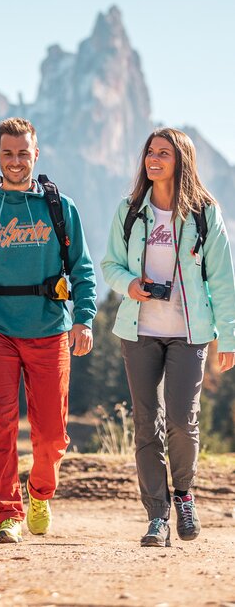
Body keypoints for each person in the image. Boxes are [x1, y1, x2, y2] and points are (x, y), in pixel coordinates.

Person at [0, 117, 96, 543]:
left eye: (23, 153)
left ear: (36, 154)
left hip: (50, 329)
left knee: (52, 434)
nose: (16, 161)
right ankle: (7, 515)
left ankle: (39, 492)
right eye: (8, 153)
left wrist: (84, 318)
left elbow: (82, 270)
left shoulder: (60, 207)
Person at [101, 128, 235, 548]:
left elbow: (223, 281)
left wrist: (227, 339)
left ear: (181, 161)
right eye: (150, 152)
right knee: (146, 424)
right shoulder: (129, 210)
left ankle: (185, 495)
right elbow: (109, 264)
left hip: (189, 333)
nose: (153, 159)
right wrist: (130, 285)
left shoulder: (204, 212)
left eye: (164, 153)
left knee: (181, 419)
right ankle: (157, 516)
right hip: (139, 331)